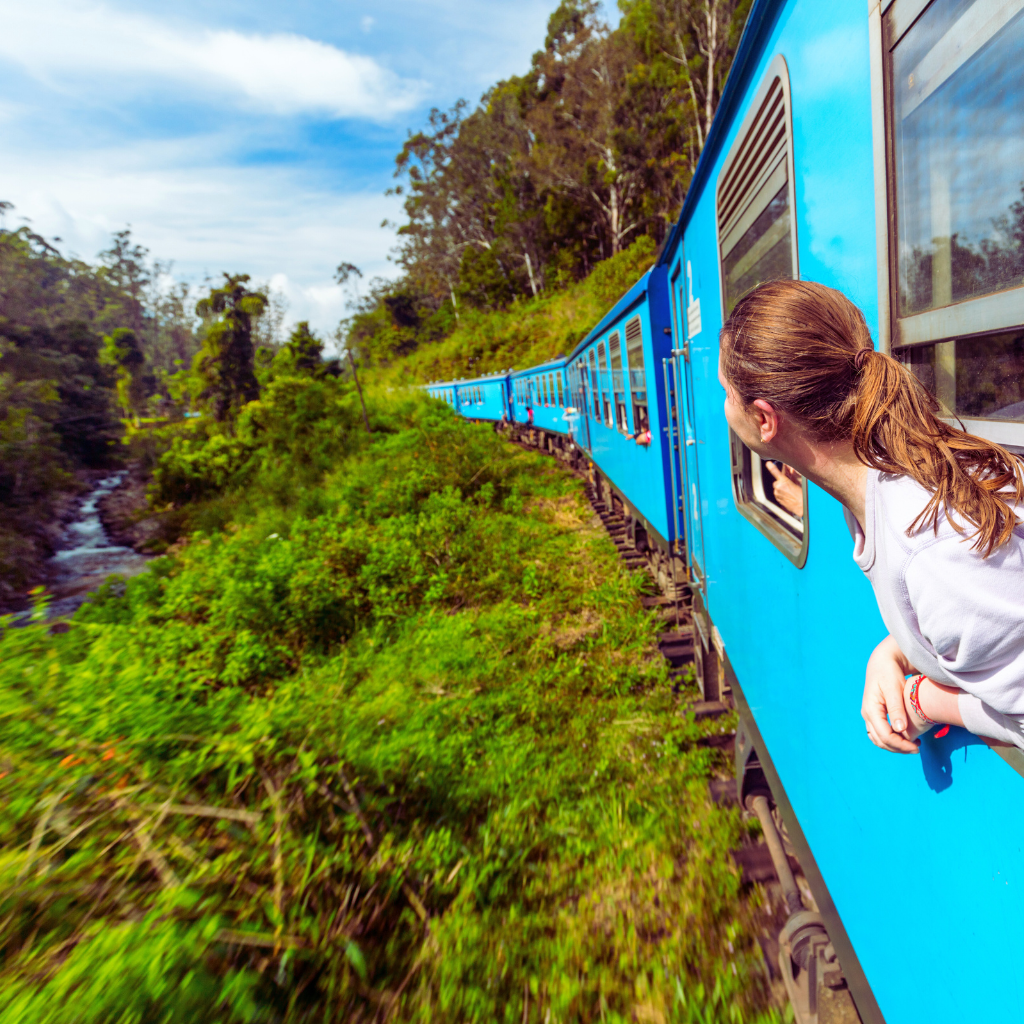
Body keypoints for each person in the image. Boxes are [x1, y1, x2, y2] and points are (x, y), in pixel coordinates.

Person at [718, 279, 1024, 754]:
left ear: (764, 418)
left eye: (725, 393)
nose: (722, 409)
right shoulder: (882, 478)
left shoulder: (932, 545)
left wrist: (925, 701)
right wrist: (893, 652)